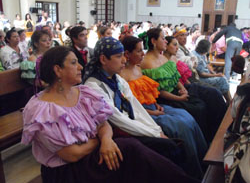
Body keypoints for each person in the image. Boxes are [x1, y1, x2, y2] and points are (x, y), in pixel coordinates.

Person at [21, 46, 199, 183]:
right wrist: (102, 142)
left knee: (151, 148)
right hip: (69, 171)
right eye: (73, 63)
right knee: (131, 150)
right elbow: (72, 154)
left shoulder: (83, 94)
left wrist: (107, 140)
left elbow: (103, 124)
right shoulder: (41, 109)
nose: (81, 67)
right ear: (57, 70)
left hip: (91, 155)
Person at [83, 37, 190, 169]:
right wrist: (154, 134)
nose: (124, 60)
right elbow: (118, 119)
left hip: (131, 125)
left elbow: (135, 107)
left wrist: (156, 130)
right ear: (103, 59)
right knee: (169, 146)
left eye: (123, 55)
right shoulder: (93, 86)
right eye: (118, 56)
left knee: (176, 140)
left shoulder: (116, 80)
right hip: (118, 132)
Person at [120, 36, 207, 179]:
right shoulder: (122, 75)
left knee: (187, 116)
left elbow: (148, 92)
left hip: (154, 107)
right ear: (127, 54)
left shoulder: (138, 68)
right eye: (139, 51)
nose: (143, 54)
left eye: (143, 50)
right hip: (143, 113)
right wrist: (152, 111)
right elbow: (129, 106)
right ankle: (192, 171)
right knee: (180, 126)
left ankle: (202, 158)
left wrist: (156, 104)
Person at [140, 28, 210, 142]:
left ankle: (206, 138)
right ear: (153, 41)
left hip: (176, 92)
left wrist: (183, 89)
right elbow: (160, 91)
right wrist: (179, 98)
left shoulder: (162, 57)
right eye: (163, 38)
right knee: (197, 109)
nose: (166, 41)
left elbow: (174, 77)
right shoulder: (147, 62)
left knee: (201, 102)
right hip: (166, 98)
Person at [164, 36, 227, 142]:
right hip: (180, 88)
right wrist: (185, 88)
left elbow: (180, 77)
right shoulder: (163, 60)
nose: (177, 48)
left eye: (177, 45)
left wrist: (189, 85)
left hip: (188, 83)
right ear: (165, 46)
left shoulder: (175, 57)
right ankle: (211, 135)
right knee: (201, 105)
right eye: (174, 45)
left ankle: (222, 128)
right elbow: (172, 80)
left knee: (214, 94)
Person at [192, 39, 231, 105]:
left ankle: (227, 101)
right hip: (200, 79)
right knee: (222, 80)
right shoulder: (195, 56)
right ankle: (229, 101)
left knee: (222, 77)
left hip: (206, 75)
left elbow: (207, 65)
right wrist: (216, 76)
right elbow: (201, 74)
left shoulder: (203, 54)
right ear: (205, 48)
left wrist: (214, 73)